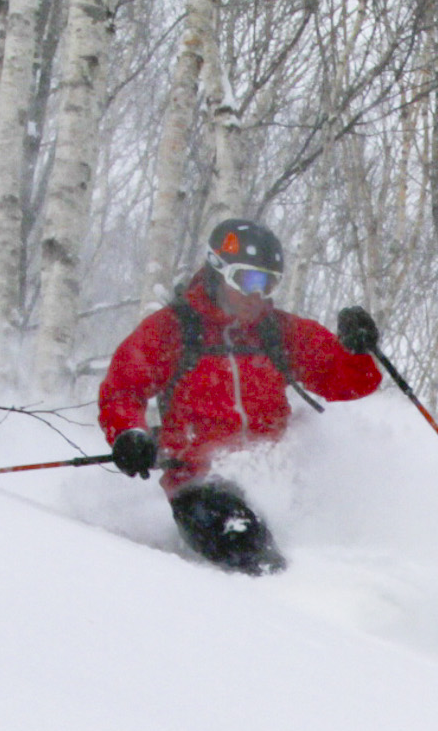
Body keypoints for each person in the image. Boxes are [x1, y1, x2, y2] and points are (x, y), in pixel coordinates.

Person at [98, 218, 387, 574]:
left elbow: (345, 382)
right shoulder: (174, 329)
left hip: (275, 482)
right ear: (218, 272)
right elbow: (122, 390)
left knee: (348, 546)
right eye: (248, 279)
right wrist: (129, 434)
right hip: (200, 487)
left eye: (268, 283)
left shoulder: (277, 331)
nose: (258, 294)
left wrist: (357, 350)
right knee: (257, 559)